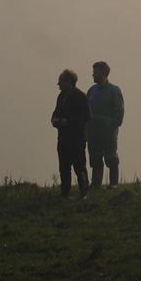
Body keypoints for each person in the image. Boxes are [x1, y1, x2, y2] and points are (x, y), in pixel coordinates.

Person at [50, 68, 90, 198]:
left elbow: (85, 117)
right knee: (64, 167)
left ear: (69, 81)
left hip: (77, 139)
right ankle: (64, 193)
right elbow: (55, 113)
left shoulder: (81, 97)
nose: (58, 84)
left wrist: (67, 121)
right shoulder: (61, 97)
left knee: (80, 167)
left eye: (61, 81)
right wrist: (55, 120)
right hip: (63, 139)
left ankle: (84, 192)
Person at [86, 60, 125, 188]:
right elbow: (85, 111)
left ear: (103, 73)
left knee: (111, 158)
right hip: (93, 132)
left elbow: (119, 112)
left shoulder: (114, 90)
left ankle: (114, 184)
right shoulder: (91, 91)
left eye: (95, 72)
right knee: (95, 158)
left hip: (108, 132)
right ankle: (96, 184)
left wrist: (111, 126)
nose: (93, 75)